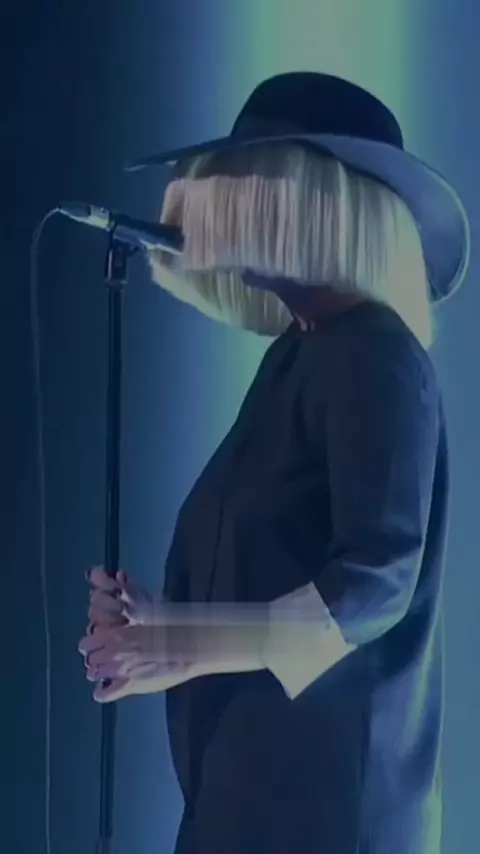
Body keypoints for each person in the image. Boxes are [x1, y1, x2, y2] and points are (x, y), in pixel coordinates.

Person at [78, 73, 470, 854]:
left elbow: (373, 583)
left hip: (325, 814)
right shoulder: (298, 356)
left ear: (308, 204)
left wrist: (181, 645)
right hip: (247, 798)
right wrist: (161, 626)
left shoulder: (376, 357)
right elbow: (271, 571)